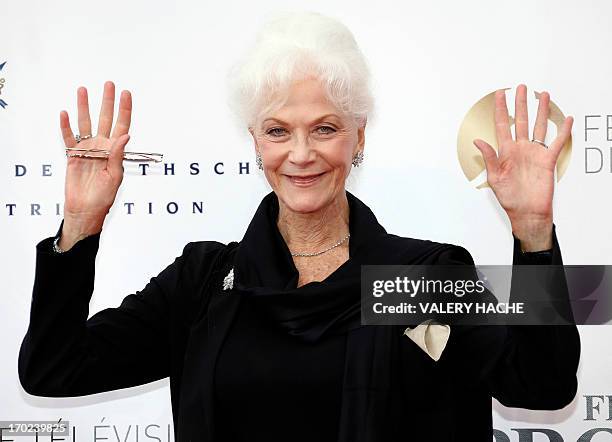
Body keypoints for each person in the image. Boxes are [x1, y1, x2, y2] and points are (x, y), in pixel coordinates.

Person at [18, 11, 580, 442]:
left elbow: (543, 385)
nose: (302, 154)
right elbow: (54, 370)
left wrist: (533, 233)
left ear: (359, 138)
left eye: (326, 128)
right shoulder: (202, 284)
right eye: (279, 131)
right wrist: (81, 226)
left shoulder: (418, 280)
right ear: (256, 140)